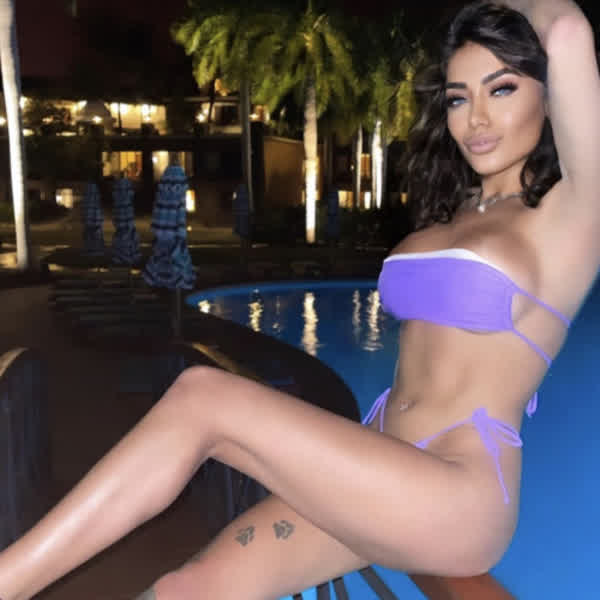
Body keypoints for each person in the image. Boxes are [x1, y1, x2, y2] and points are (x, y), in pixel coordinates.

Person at [2, 1, 599, 598]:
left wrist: (490, 9)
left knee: (201, 396)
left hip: (452, 495)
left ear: (549, 98)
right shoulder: (458, 209)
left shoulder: (570, 218)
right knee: (190, 586)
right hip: (378, 464)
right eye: (458, 98)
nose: (477, 118)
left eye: (502, 89)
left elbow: (568, 26)